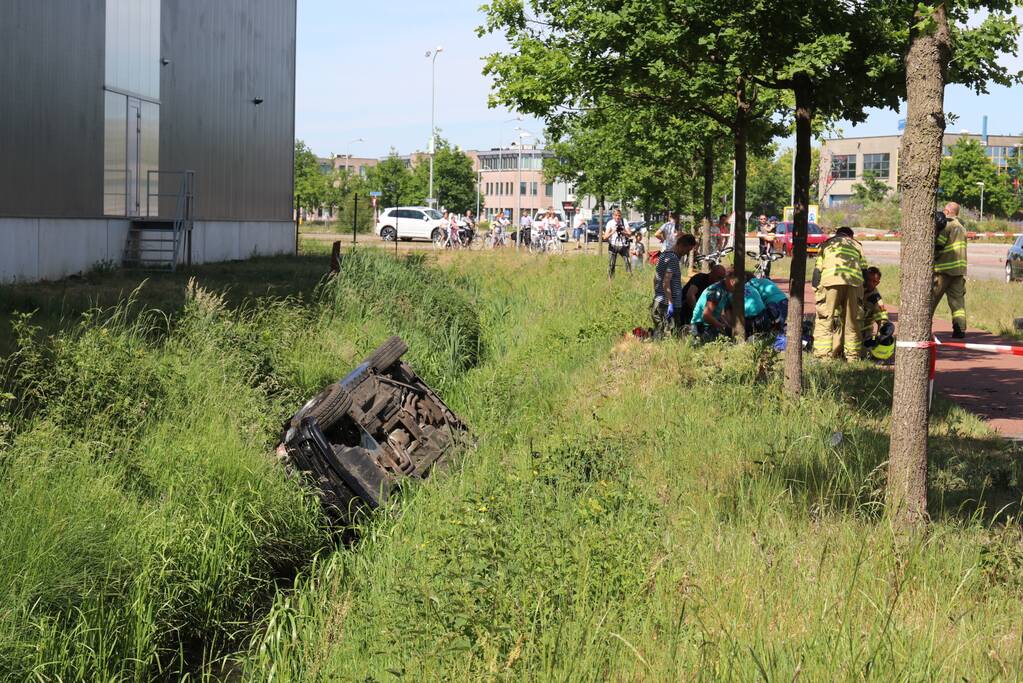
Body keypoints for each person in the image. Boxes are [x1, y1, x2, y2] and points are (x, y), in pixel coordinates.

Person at [811, 226, 868, 361]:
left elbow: (817, 272)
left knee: (825, 319)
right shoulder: (856, 245)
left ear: (837, 235)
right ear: (851, 236)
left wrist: (817, 291)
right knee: (852, 321)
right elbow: (864, 270)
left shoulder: (826, 244)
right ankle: (853, 358)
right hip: (853, 283)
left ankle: (823, 358)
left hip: (829, 283)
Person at [932, 201, 968, 338]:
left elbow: (939, 245)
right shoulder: (962, 227)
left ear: (947, 211)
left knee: (931, 299)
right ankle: (960, 329)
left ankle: (924, 323)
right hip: (959, 272)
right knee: (957, 302)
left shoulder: (947, 225)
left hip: (943, 270)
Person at [652, 234, 698, 334]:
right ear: (682, 245)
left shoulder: (664, 254)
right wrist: (670, 303)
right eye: (688, 250)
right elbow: (666, 282)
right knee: (668, 334)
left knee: (660, 332)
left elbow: (656, 279)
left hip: (660, 300)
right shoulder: (672, 259)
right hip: (666, 304)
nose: (687, 253)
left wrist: (658, 295)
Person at [603, 208, 632, 278]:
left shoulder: (624, 221)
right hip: (613, 245)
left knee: (628, 262)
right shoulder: (610, 223)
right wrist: (613, 231)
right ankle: (610, 279)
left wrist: (623, 231)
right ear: (613, 216)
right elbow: (605, 237)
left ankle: (630, 277)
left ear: (621, 215)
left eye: (619, 215)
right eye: (616, 215)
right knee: (611, 264)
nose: (617, 217)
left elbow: (630, 234)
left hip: (623, 245)